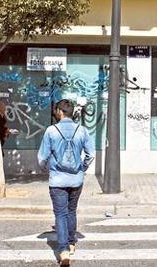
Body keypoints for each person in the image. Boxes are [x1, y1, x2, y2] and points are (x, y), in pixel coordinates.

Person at [37, 99, 94, 266]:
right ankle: (71, 243)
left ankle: (63, 251)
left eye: (56, 110)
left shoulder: (51, 131)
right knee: (71, 211)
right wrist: (82, 169)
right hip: (76, 179)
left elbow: (42, 157)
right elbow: (90, 154)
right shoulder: (82, 130)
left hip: (57, 180)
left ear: (60, 112)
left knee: (60, 214)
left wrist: (45, 169)